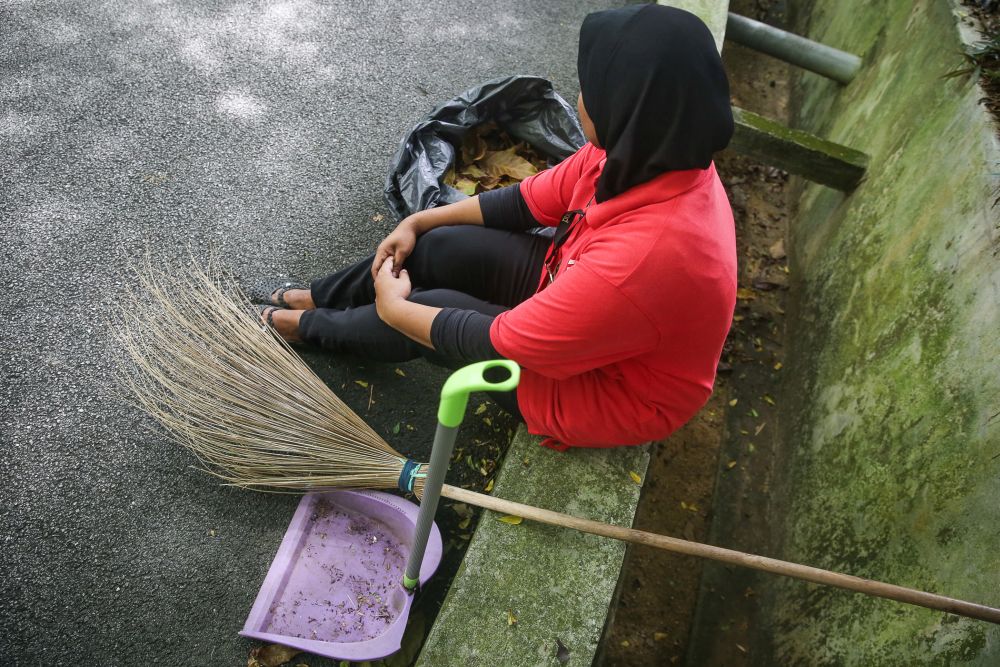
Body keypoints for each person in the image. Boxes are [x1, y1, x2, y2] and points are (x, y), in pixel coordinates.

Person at [252, 4, 736, 450]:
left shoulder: (640, 262)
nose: (582, 96)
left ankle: (306, 328)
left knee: (425, 310)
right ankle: (320, 296)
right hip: (575, 286)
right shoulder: (647, 152)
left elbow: (498, 341)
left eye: (592, 87)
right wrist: (418, 221)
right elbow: (525, 203)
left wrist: (395, 309)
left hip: (604, 387)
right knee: (438, 246)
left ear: (628, 107)